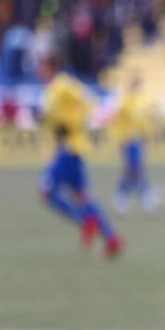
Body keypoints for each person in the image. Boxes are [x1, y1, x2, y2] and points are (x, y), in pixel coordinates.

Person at [35, 48, 123, 259]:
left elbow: (87, 101)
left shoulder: (63, 84)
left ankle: (85, 221)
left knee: (46, 190)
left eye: (42, 67)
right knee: (82, 196)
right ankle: (112, 238)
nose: (39, 71)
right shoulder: (51, 90)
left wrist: (79, 121)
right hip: (66, 149)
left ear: (51, 67)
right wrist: (42, 118)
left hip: (70, 148)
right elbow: (55, 120)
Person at [109, 72, 159, 215]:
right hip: (129, 140)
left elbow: (142, 121)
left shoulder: (140, 101)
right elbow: (118, 122)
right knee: (135, 170)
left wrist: (150, 133)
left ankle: (123, 198)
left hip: (138, 140)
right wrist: (120, 139)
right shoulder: (125, 102)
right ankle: (144, 197)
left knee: (133, 170)